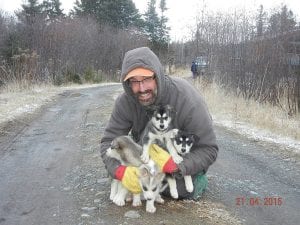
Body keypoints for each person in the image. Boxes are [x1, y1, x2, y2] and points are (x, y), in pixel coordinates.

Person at [100, 47, 218, 200]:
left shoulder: (187, 99)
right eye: (134, 81)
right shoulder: (125, 102)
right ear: (127, 83)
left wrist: (176, 166)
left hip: (181, 160)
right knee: (123, 173)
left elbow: (209, 149)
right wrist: (120, 171)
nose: (142, 88)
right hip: (147, 157)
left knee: (180, 190)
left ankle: (196, 181)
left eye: (147, 79)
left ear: (158, 75)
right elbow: (108, 142)